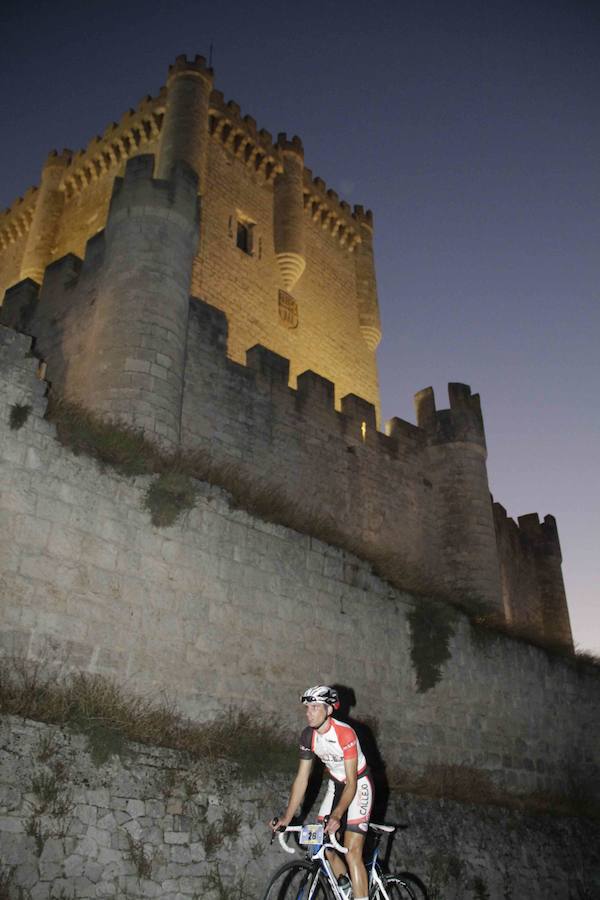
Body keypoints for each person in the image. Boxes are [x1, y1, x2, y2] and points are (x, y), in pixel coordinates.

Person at [270, 685, 373, 900]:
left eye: (315, 707)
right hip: (336, 784)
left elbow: (352, 782)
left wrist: (337, 815)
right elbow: (301, 779)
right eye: (307, 708)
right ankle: (345, 886)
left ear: (328, 710)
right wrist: (287, 818)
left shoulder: (345, 734)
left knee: (352, 850)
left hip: (359, 784)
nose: (309, 712)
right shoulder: (308, 736)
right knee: (319, 842)